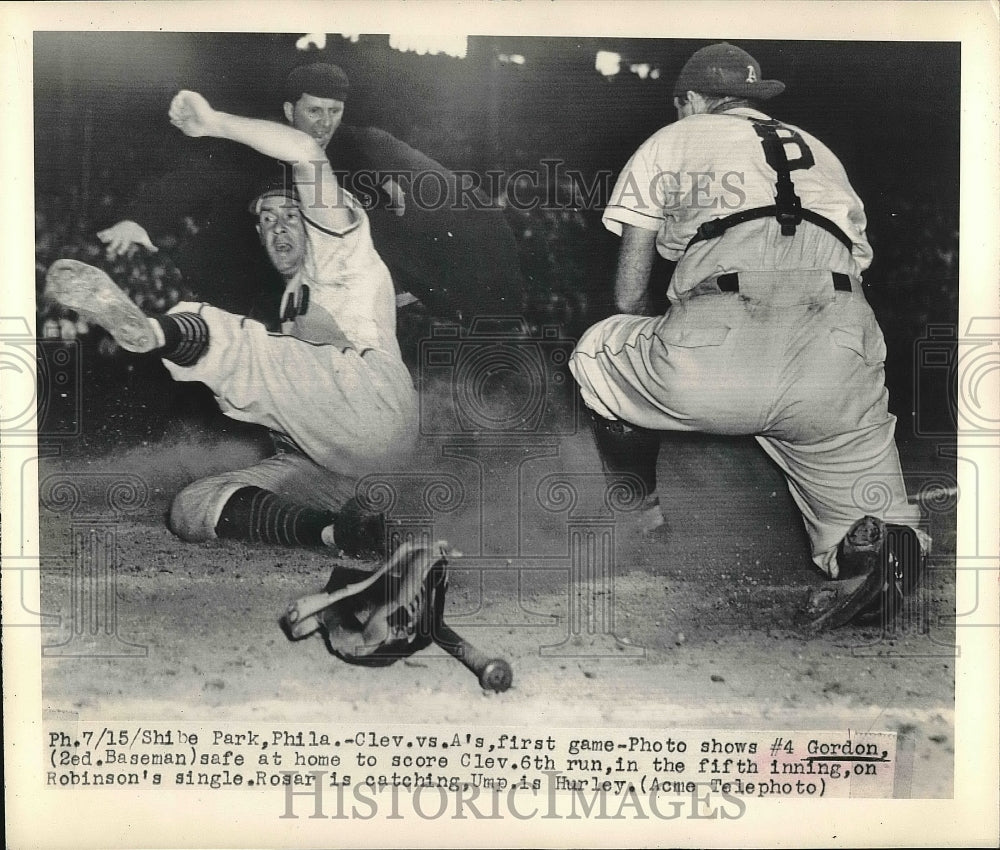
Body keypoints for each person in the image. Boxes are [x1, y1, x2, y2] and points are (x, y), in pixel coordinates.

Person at [568, 43, 929, 630]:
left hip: (722, 338)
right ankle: (874, 547)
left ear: (690, 101)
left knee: (597, 352)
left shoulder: (676, 137)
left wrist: (676, 331)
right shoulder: (824, 153)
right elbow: (856, 259)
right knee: (867, 517)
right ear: (755, 98)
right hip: (839, 347)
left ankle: (643, 517)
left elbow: (629, 294)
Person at [47, 89, 417, 558]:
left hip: (372, 401)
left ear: (316, 221)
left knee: (236, 339)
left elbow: (307, 154)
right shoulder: (286, 300)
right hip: (337, 458)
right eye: (266, 218)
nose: (279, 227)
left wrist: (214, 121)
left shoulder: (341, 253)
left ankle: (155, 331)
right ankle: (340, 532)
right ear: (257, 232)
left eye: (291, 215)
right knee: (194, 508)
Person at [98, 62, 525, 325]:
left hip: (358, 279)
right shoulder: (259, 146)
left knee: (397, 217)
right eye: (314, 111)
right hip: (278, 277)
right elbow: (190, 178)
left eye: (334, 112)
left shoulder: (363, 143)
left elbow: (430, 176)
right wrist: (140, 218)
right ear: (289, 111)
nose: (324, 124)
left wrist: (475, 210)